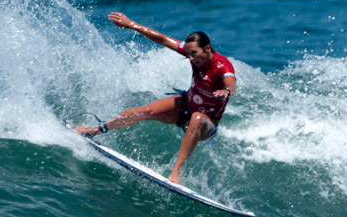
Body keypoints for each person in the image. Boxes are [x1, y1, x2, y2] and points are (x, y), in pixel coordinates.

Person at [75, 12, 236, 184]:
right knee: (146, 110)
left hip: (206, 123)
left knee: (196, 118)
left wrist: (227, 90)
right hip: (185, 106)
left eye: (194, 54)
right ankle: (96, 130)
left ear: (208, 49)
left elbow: (231, 82)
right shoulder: (193, 53)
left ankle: (176, 173)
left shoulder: (222, 65)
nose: (190, 58)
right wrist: (131, 24)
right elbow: (163, 39)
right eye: (188, 54)